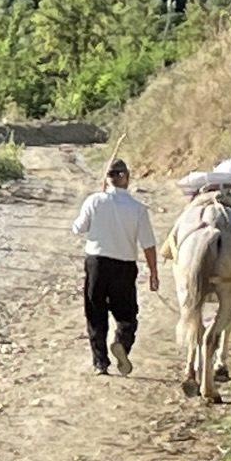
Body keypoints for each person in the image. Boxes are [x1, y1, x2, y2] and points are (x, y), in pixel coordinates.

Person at [71, 156, 159, 375]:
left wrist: (97, 201)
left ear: (107, 179)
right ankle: (121, 342)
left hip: (97, 264)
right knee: (127, 315)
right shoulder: (138, 208)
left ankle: (100, 363)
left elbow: (78, 228)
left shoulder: (94, 201)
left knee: (95, 313)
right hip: (124, 266)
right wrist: (153, 273)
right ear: (126, 178)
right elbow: (148, 244)